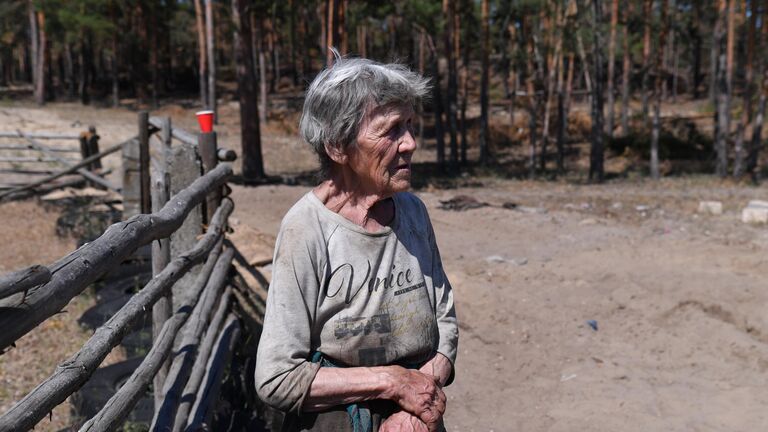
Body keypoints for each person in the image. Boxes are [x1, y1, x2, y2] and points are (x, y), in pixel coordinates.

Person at [254, 55, 459, 432]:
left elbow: (445, 320)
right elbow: (277, 377)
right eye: (392, 130)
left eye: (410, 126)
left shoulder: (413, 213)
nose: (410, 143)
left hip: (420, 412)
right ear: (337, 146)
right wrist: (394, 382)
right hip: (339, 418)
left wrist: (414, 407)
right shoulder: (307, 229)